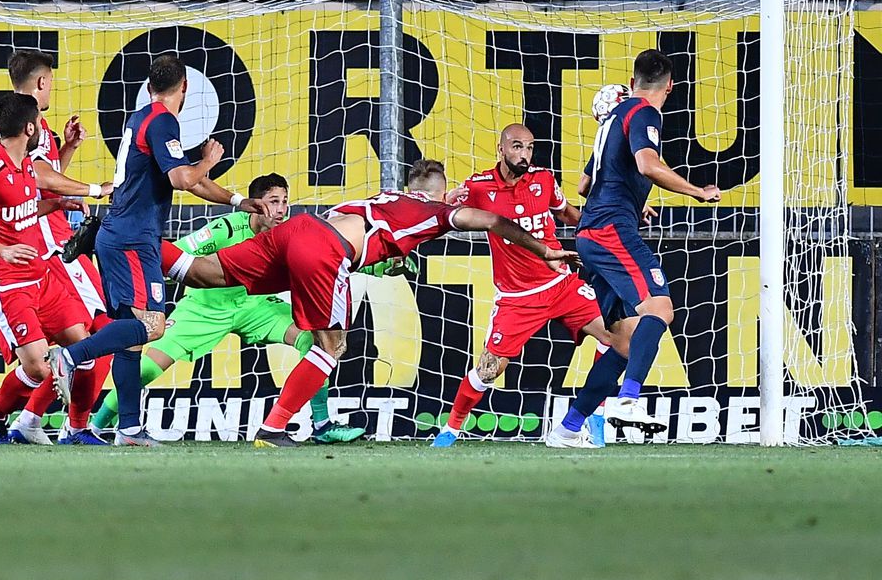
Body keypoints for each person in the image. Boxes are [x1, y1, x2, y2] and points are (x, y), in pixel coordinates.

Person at [161, 159, 580, 448]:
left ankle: (123, 241)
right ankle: (274, 428)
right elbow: (491, 221)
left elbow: (363, 232)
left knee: (199, 272)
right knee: (331, 347)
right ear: (442, 195)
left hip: (300, 231)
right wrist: (543, 249)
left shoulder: (386, 197)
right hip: (326, 253)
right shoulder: (438, 212)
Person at [47, 53, 268, 447]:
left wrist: (237, 200)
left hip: (120, 235)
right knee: (154, 326)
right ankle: (72, 356)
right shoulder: (163, 120)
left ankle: (129, 429)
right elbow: (185, 178)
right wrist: (209, 159)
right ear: (184, 87)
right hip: (133, 240)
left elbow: (192, 182)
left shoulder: (143, 118)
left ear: (149, 87)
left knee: (131, 338)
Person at [89, 173, 368, 444]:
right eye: (273, 201)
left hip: (256, 308)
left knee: (317, 341)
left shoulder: (292, 232)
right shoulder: (228, 228)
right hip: (205, 309)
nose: (281, 209)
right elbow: (177, 254)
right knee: (148, 369)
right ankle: (96, 426)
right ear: (257, 204)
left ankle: (321, 425)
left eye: (285, 201)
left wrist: (379, 265)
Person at [556, 49, 722, 444]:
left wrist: (633, 198)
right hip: (612, 230)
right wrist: (697, 191)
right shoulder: (643, 112)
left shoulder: (610, 118)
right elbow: (647, 164)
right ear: (670, 86)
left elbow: (582, 186)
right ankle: (628, 400)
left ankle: (568, 427)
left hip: (592, 231)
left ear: (632, 82)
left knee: (624, 342)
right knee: (661, 307)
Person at [431, 124, 629, 449]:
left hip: (561, 284)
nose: (524, 154)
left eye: (529, 148)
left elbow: (567, 213)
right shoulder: (478, 187)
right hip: (517, 298)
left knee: (617, 337)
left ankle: (594, 415)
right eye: (517, 147)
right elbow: (442, 208)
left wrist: (610, 221)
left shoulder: (544, 180)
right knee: (487, 370)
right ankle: (450, 431)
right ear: (501, 148)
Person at [0, 93, 92, 444]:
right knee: (39, 368)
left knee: (85, 346)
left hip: (40, 276)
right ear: (30, 128)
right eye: (41, 125)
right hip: (8, 285)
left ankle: (71, 429)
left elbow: (26, 206)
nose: (44, 130)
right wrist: (3, 250)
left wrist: (57, 202)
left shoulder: (25, 163)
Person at [0, 50, 114, 447]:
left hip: (55, 241)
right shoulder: (24, 125)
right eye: (51, 81)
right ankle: (65, 424)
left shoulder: (29, 124)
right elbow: (40, 177)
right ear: (43, 82)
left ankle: (34, 420)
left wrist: (66, 150)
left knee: (98, 338)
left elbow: (42, 180)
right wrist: (97, 189)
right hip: (50, 247)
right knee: (103, 335)